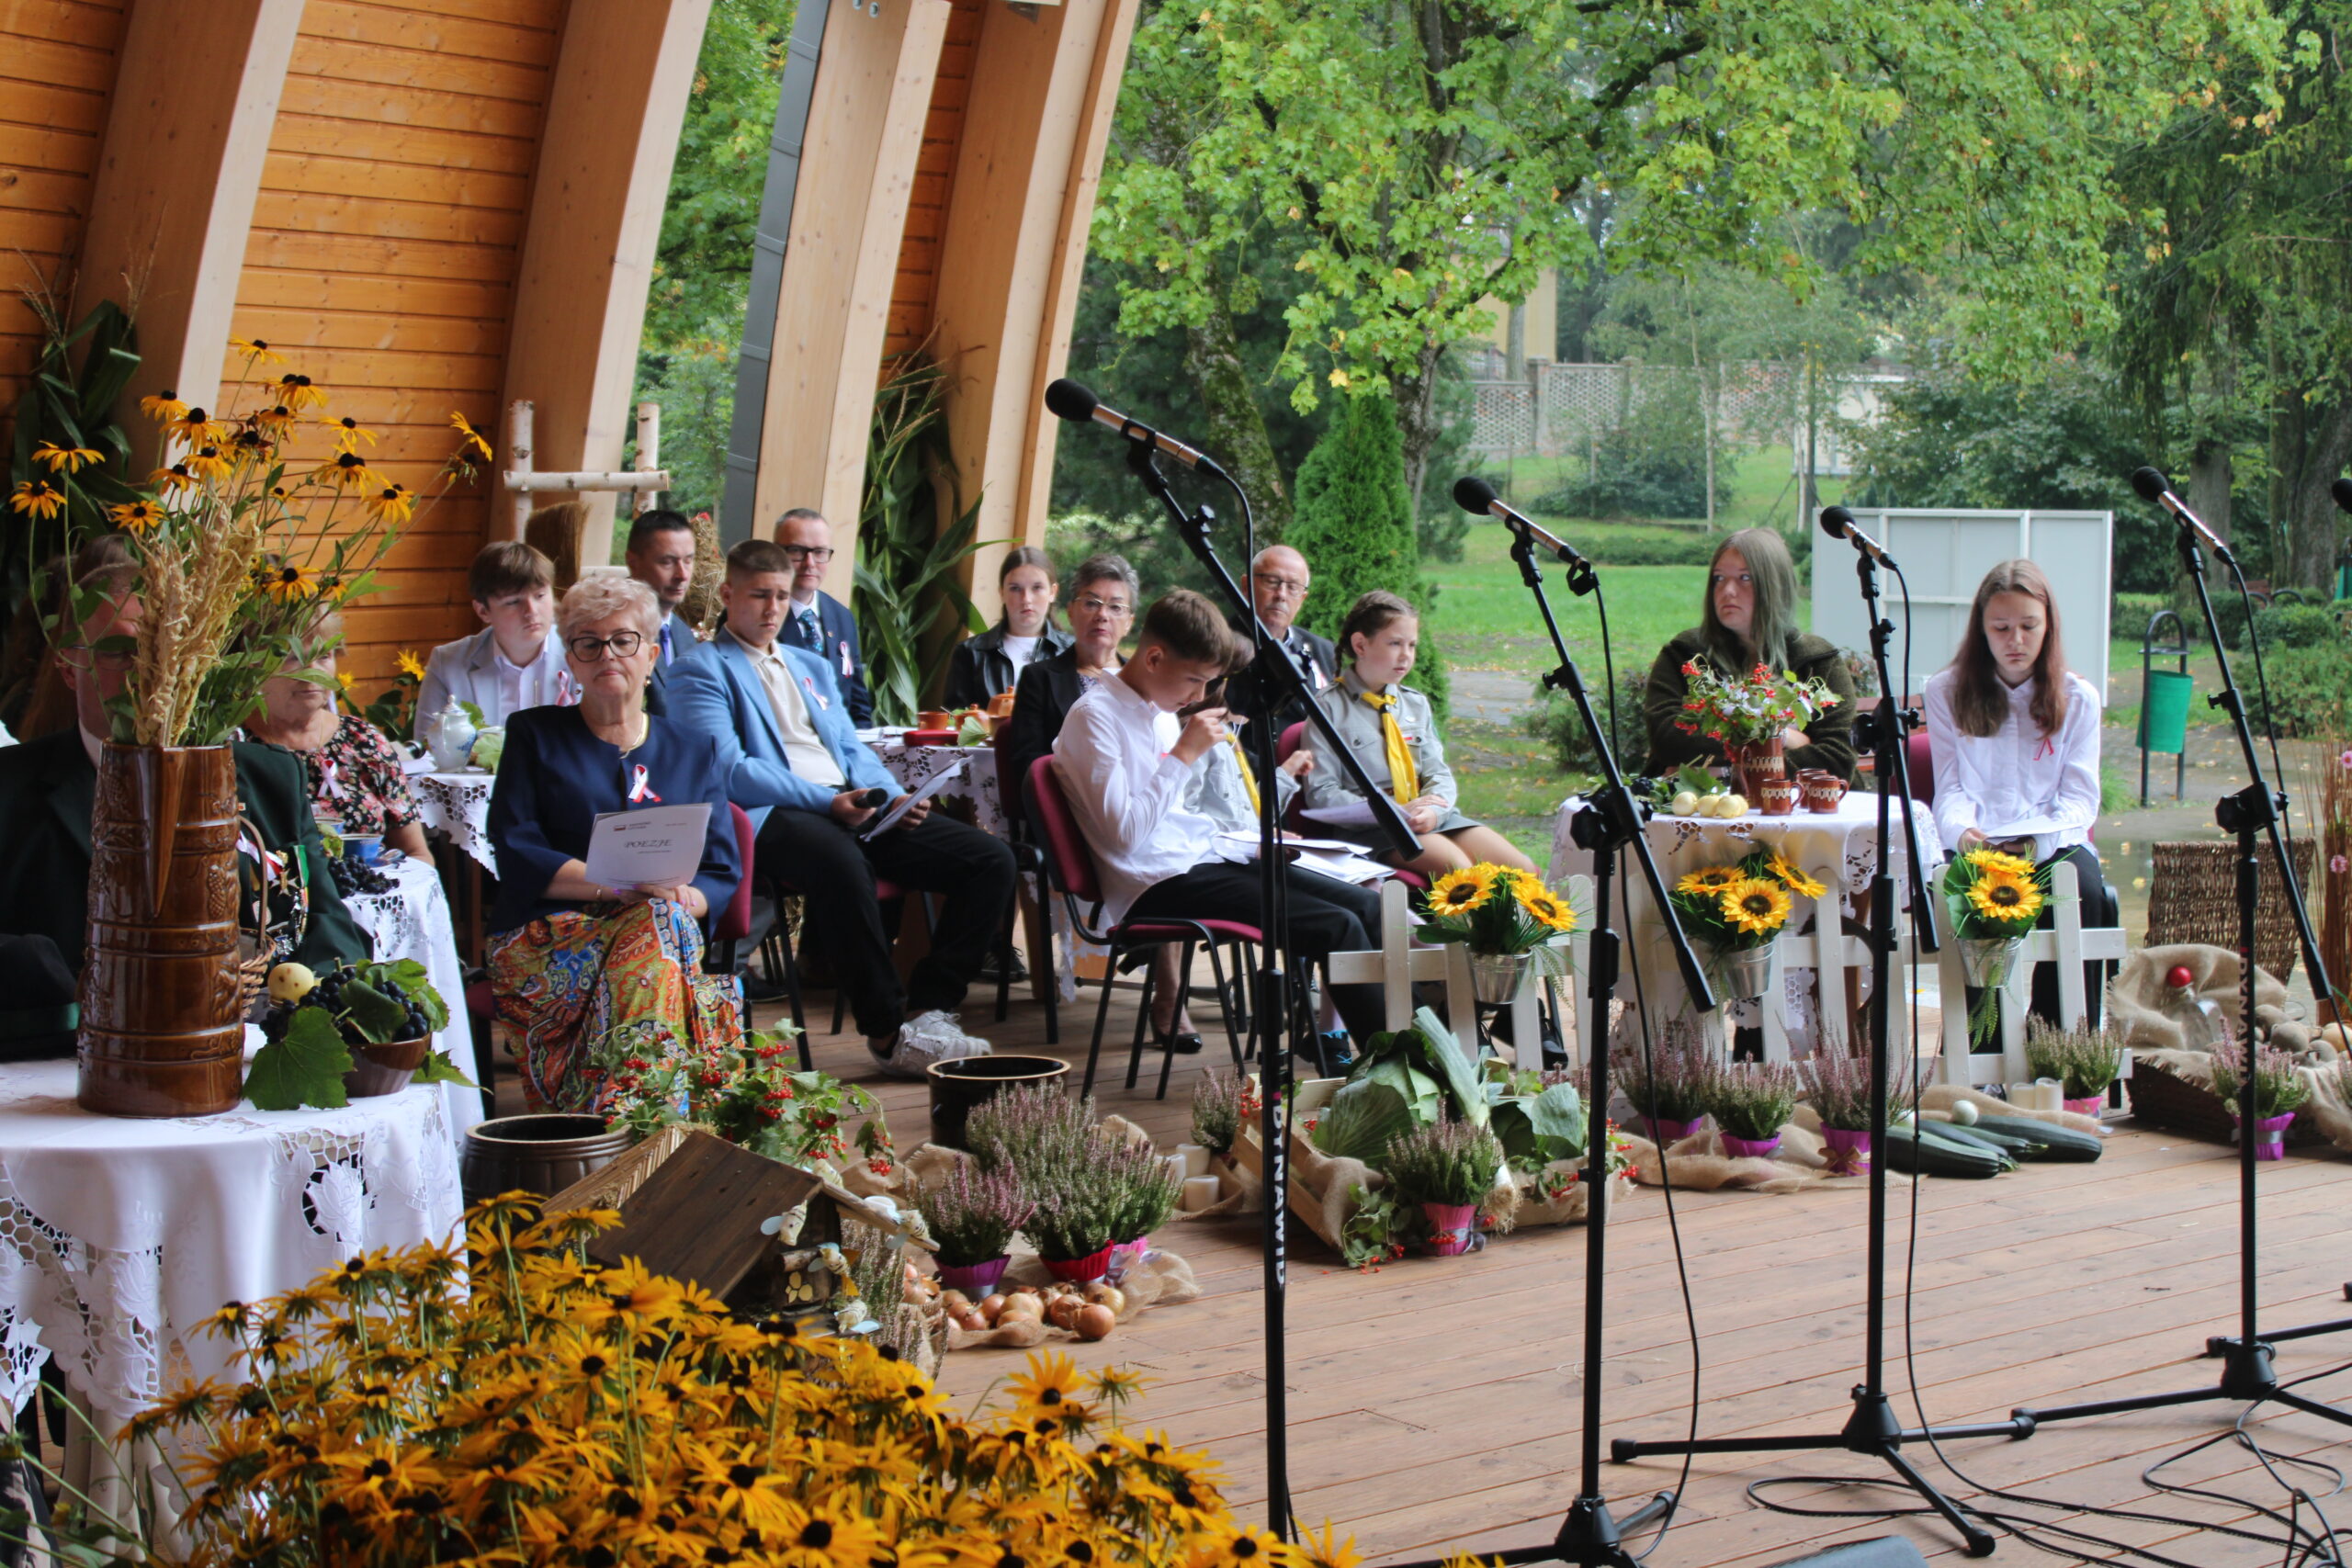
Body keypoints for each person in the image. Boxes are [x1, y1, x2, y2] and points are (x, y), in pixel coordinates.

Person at [667, 538, 1019, 1078]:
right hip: (773, 814)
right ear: (726, 593)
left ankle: (929, 1012)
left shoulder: (810, 664)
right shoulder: (701, 669)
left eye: (781, 597)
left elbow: (852, 747)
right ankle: (885, 1031)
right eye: (759, 595)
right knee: (841, 862)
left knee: (992, 860)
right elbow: (731, 771)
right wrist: (829, 803)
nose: (771, 609)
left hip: (852, 803)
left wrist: (891, 795)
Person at [0, 536, 368, 984]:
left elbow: (328, 929)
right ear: (68, 667)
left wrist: (307, 1008)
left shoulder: (269, 778)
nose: (152, 670)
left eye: (169, 649)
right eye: (122, 651)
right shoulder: (11, 788)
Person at [1053, 589, 1388, 1055]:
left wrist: (1251, 839)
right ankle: (1398, 1063)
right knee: (1337, 926)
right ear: (1153, 658)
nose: (1198, 696)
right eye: (1194, 680)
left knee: (1368, 907)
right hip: (1154, 882)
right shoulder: (1095, 718)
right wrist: (1183, 755)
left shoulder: (1158, 710)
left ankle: (1424, 1044)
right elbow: (1125, 837)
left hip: (1201, 859)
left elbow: (1181, 818)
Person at [485, 576, 743, 1112]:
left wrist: (680, 899)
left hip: (660, 932)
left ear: (651, 655)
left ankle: (614, 1119)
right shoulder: (533, 735)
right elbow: (515, 850)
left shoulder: (695, 749)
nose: (608, 654)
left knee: (661, 923)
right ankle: (656, 1127)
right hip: (551, 936)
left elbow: (719, 870)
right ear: (572, 660)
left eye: (624, 640)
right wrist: (615, 889)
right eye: (589, 642)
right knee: (659, 930)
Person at [1924, 559, 2116, 1027]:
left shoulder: (2079, 698)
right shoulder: (1945, 691)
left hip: (2052, 842)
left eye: (2029, 626)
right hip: (1979, 842)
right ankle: (1979, 1050)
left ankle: (2062, 1041)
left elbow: (2079, 800)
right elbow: (1950, 785)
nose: (2016, 641)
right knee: (1967, 897)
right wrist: (1966, 834)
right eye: (2001, 627)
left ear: (2048, 626)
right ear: (1982, 630)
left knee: (2085, 893)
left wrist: (2033, 843)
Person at [1302, 591, 1535, 879]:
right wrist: (1394, 810)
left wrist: (1435, 811)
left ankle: (1505, 926)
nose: (1406, 656)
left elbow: (1438, 771)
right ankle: (1463, 926)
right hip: (1374, 830)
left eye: (1412, 645)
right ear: (1360, 644)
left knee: (1521, 869)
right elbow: (1321, 793)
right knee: (1460, 870)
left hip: (1428, 817)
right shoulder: (1327, 708)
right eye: (1395, 643)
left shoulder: (1414, 704)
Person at [1641, 527, 1857, 780]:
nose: (1727, 590)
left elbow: (1837, 759)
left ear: (1775, 587)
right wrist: (1788, 738)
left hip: (1797, 813)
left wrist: (1727, 771)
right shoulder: (1684, 655)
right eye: (1719, 578)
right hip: (1698, 811)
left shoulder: (1819, 661)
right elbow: (1670, 741)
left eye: (1745, 578)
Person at [242, 609, 433, 867]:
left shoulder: (364, 742)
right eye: (292, 657)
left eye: (323, 656)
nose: (312, 672)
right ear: (253, 665)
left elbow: (417, 855)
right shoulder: (235, 748)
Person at [1003, 554, 1136, 795]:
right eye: (1091, 603)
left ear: (1129, 622)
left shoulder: (1142, 684)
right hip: (1066, 809)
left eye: (1116, 607)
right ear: (1071, 612)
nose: (1102, 615)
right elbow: (1029, 766)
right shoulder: (1039, 678)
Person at [416, 541, 574, 730]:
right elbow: (428, 750)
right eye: (513, 602)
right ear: (483, 611)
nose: (531, 611)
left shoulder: (581, 654)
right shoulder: (448, 663)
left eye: (540, 596)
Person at [773, 507, 873, 727]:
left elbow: (857, 702)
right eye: (797, 551)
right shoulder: (755, 614)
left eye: (819, 552)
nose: (810, 563)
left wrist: (862, 751)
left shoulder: (841, 616)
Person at [1225, 544, 1337, 734]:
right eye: (1271, 581)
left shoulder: (1324, 652)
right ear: (1246, 586)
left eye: (1293, 587)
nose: (1281, 595)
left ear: (1302, 599)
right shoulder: (1217, 645)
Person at [944, 546, 1071, 710]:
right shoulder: (971, 653)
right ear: (1001, 593)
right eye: (1015, 589)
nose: (1027, 599)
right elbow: (955, 723)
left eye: (1037, 588)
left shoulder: (1072, 652)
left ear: (1053, 592)